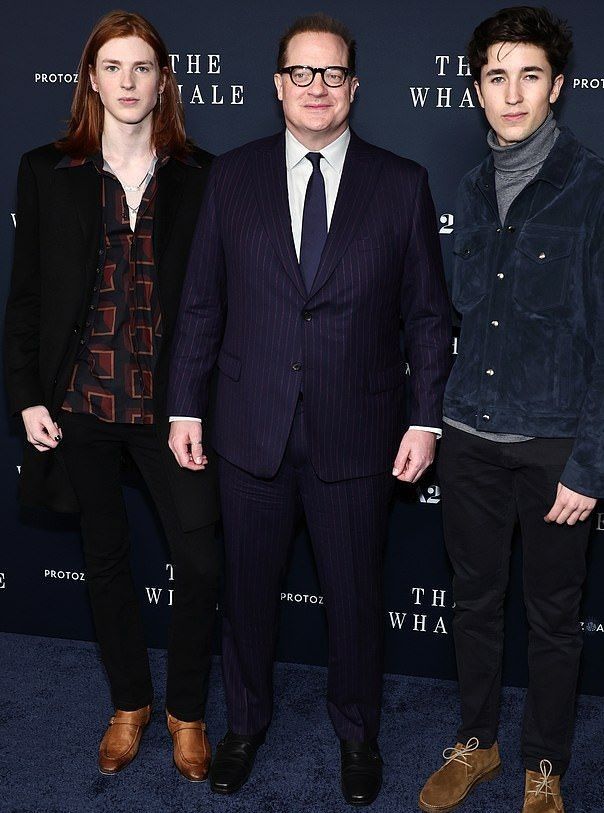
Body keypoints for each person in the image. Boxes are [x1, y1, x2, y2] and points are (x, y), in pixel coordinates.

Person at [168, 13, 451, 805]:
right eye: (303, 72)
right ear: (278, 85)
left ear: (354, 87)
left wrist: (424, 418)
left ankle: (359, 733)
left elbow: (428, 315)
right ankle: (245, 724)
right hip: (248, 427)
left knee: (357, 597)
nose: (317, 87)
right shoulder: (233, 177)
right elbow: (200, 304)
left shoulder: (401, 183)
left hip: (357, 434)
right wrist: (184, 406)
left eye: (332, 74)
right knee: (248, 593)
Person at [4, 11, 221, 782]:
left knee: (200, 562)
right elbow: (26, 295)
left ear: (164, 80)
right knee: (106, 560)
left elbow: (220, 303)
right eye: (113, 67)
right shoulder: (46, 169)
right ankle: (129, 702)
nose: (128, 82)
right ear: (90, 79)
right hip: (82, 404)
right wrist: (28, 395)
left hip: (174, 411)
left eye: (142, 68)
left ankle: (186, 711)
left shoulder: (203, 174)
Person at [418, 7, 603, 813]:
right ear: (477, 90)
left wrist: (591, 461)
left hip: (556, 443)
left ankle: (545, 762)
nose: (514, 92)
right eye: (497, 76)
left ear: (557, 85)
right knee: (474, 600)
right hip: (469, 438)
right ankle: (479, 739)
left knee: (556, 619)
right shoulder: (466, 187)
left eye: (531, 74)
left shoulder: (593, 188)